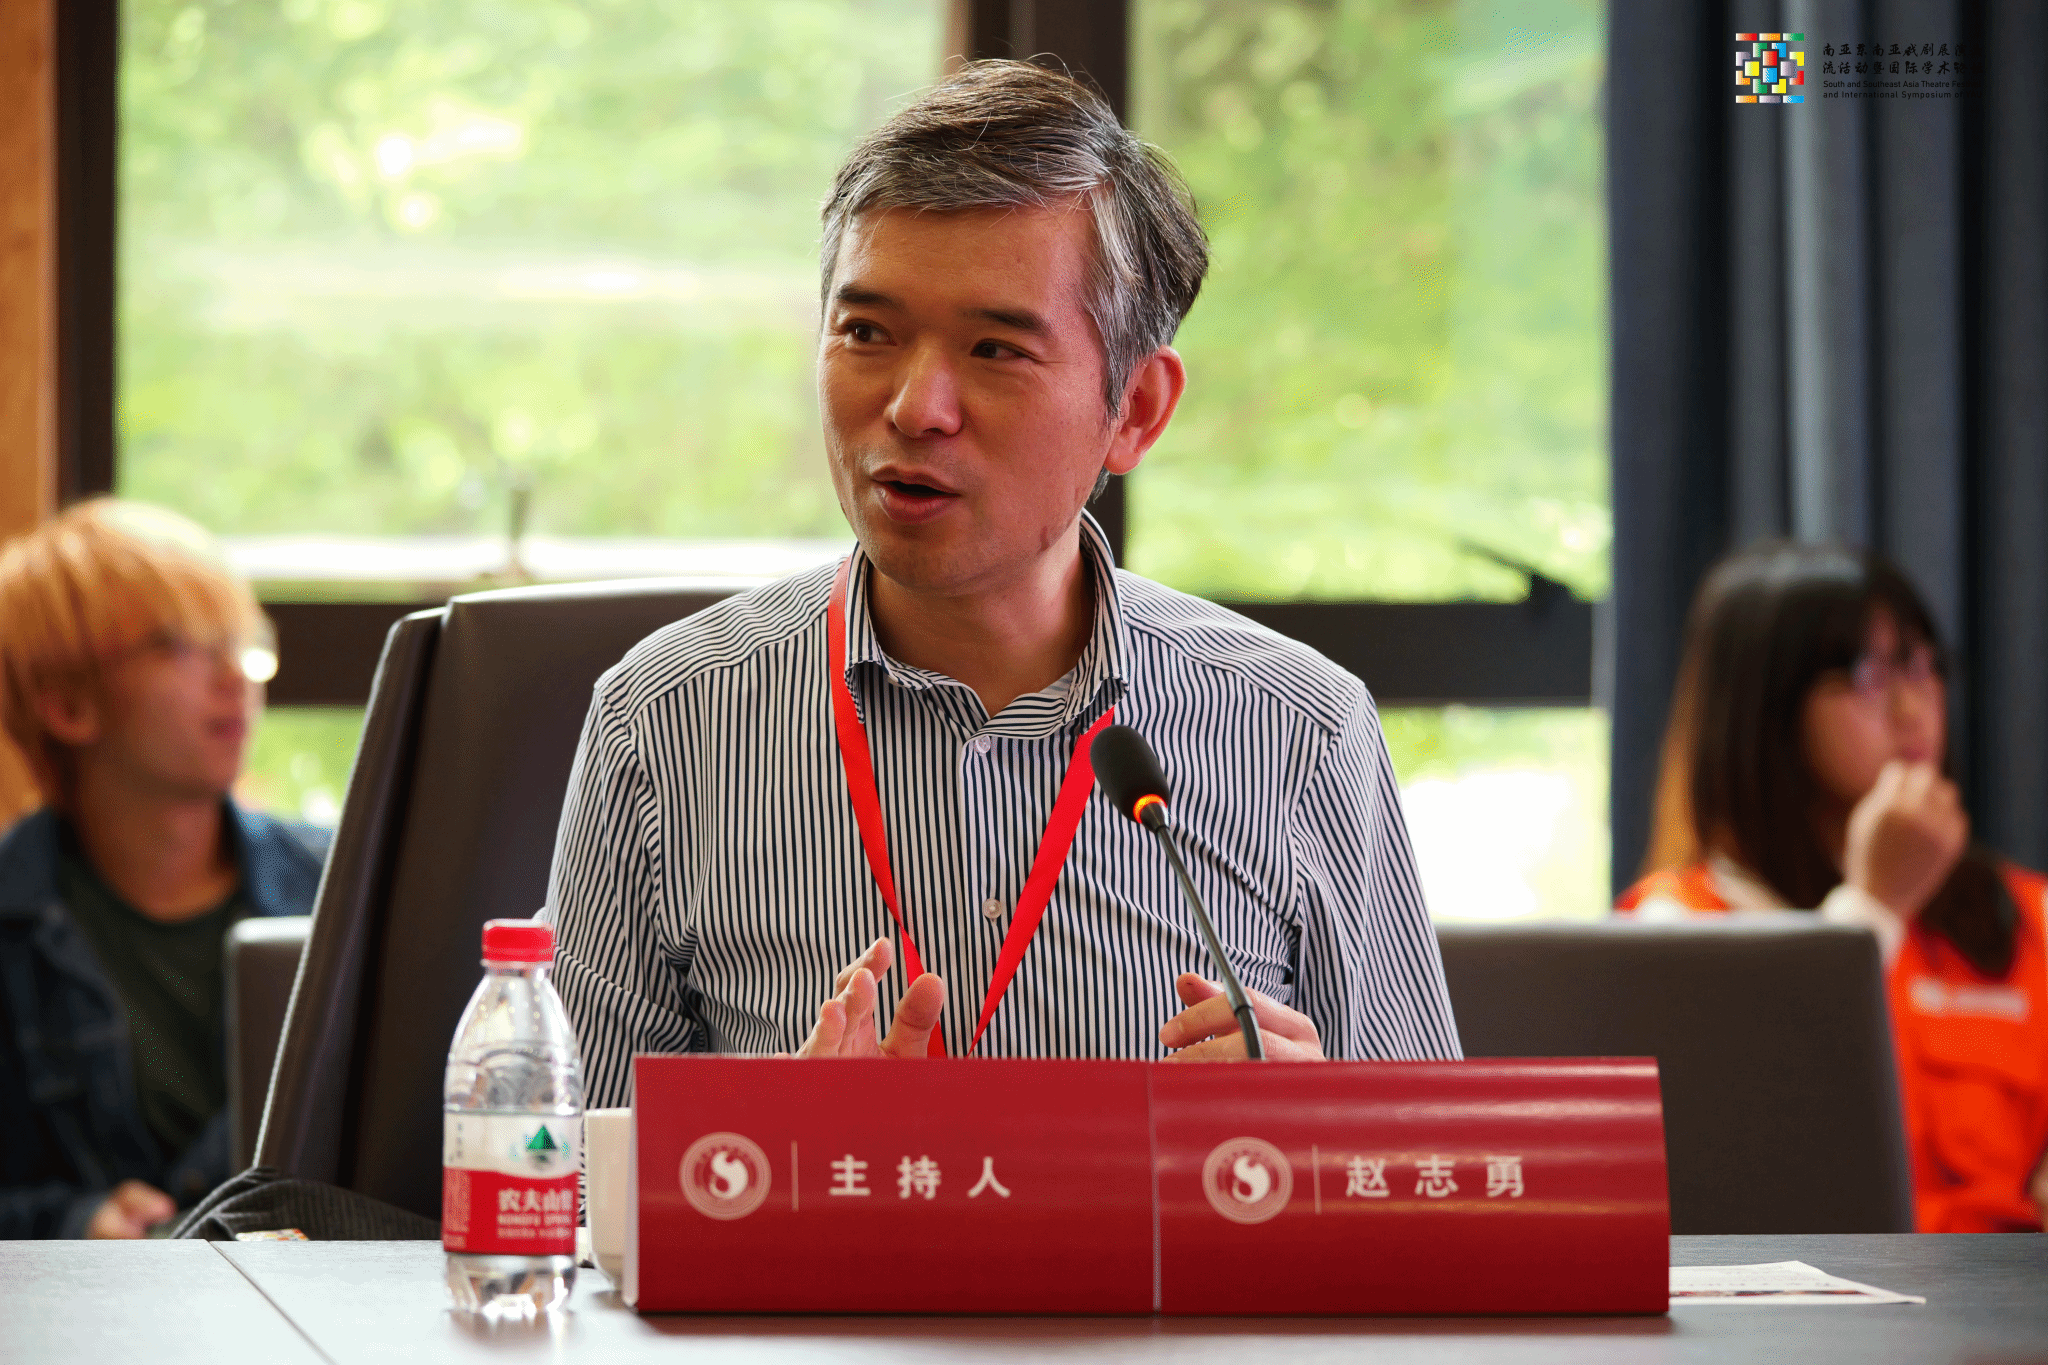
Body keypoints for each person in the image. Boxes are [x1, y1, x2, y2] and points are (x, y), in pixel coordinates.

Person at [544, 60, 1459, 1105]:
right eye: (866, 333)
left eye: (993, 349)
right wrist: (781, 1146)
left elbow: (1439, 1167)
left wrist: (1321, 1130)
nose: (915, 407)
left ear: (1135, 411)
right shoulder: (663, 719)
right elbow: (559, 1173)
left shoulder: (1300, 730)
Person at [1618, 541, 2048, 1233]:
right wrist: (1874, 907)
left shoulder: (2028, 915)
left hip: (2006, 1291)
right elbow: (1732, 1148)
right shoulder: (1679, 923)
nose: (1912, 708)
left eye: (1923, 665)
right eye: (1867, 674)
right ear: (1765, 706)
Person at [0, 500, 328, 1238]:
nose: (235, 676)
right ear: (68, 707)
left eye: (241, 643)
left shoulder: (343, 887)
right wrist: (77, 1222)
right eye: (180, 646)